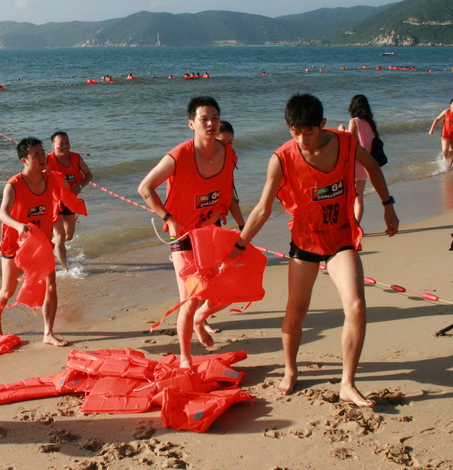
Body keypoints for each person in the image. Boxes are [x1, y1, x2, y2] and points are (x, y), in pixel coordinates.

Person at [233, 93, 399, 407]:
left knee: (356, 305)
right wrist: (239, 245)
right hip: (305, 243)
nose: (301, 139)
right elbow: (262, 209)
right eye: (294, 132)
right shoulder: (281, 158)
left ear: (321, 125)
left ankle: (347, 383)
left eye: (307, 131)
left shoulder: (346, 143)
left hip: (340, 240)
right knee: (296, 311)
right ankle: (291, 370)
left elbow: (374, 167)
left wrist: (388, 206)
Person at [138, 96, 238, 368]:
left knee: (223, 292)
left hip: (211, 233)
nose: (211, 124)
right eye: (204, 119)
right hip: (182, 236)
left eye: (215, 118)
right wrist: (168, 218)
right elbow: (145, 188)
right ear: (191, 124)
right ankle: (185, 357)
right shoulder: (179, 155)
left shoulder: (228, 153)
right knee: (189, 298)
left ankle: (199, 320)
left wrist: (230, 218)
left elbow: (226, 187)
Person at [0, 137, 67, 347]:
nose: (42, 157)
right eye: (37, 155)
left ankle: (48, 333)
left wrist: (61, 226)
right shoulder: (14, 185)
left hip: (41, 244)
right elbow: (2, 213)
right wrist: (18, 226)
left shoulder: (50, 179)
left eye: (43, 153)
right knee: (7, 291)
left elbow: (61, 200)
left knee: (51, 287)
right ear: (24, 160)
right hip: (14, 244)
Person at [46, 131, 93, 271]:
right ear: (53, 145)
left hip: (70, 201)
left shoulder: (76, 157)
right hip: (53, 202)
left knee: (68, 236)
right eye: (61, 144)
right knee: (60, 238)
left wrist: (80, 185)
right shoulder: (47, 160)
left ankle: (51, 245)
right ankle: (65, 269)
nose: (65, 146)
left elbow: (89, 175)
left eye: (67, 143)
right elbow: (34, 174)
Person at [340, 94, 378, 224]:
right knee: (359, 198)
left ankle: (349, 226)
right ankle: (357, 226)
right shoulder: (370, 124)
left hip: (353, 165)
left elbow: (348, 140)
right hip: (365, 165)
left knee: (348, 198)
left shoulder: (354, 121)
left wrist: (341, 130)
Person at [428, 99, 453, 169]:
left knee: (452, 150)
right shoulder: (446, 112)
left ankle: (449, 166)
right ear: (450, 105)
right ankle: (445, 159)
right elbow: (437, 119)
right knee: (445, 150)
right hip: (446, 133)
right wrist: (431, 129)